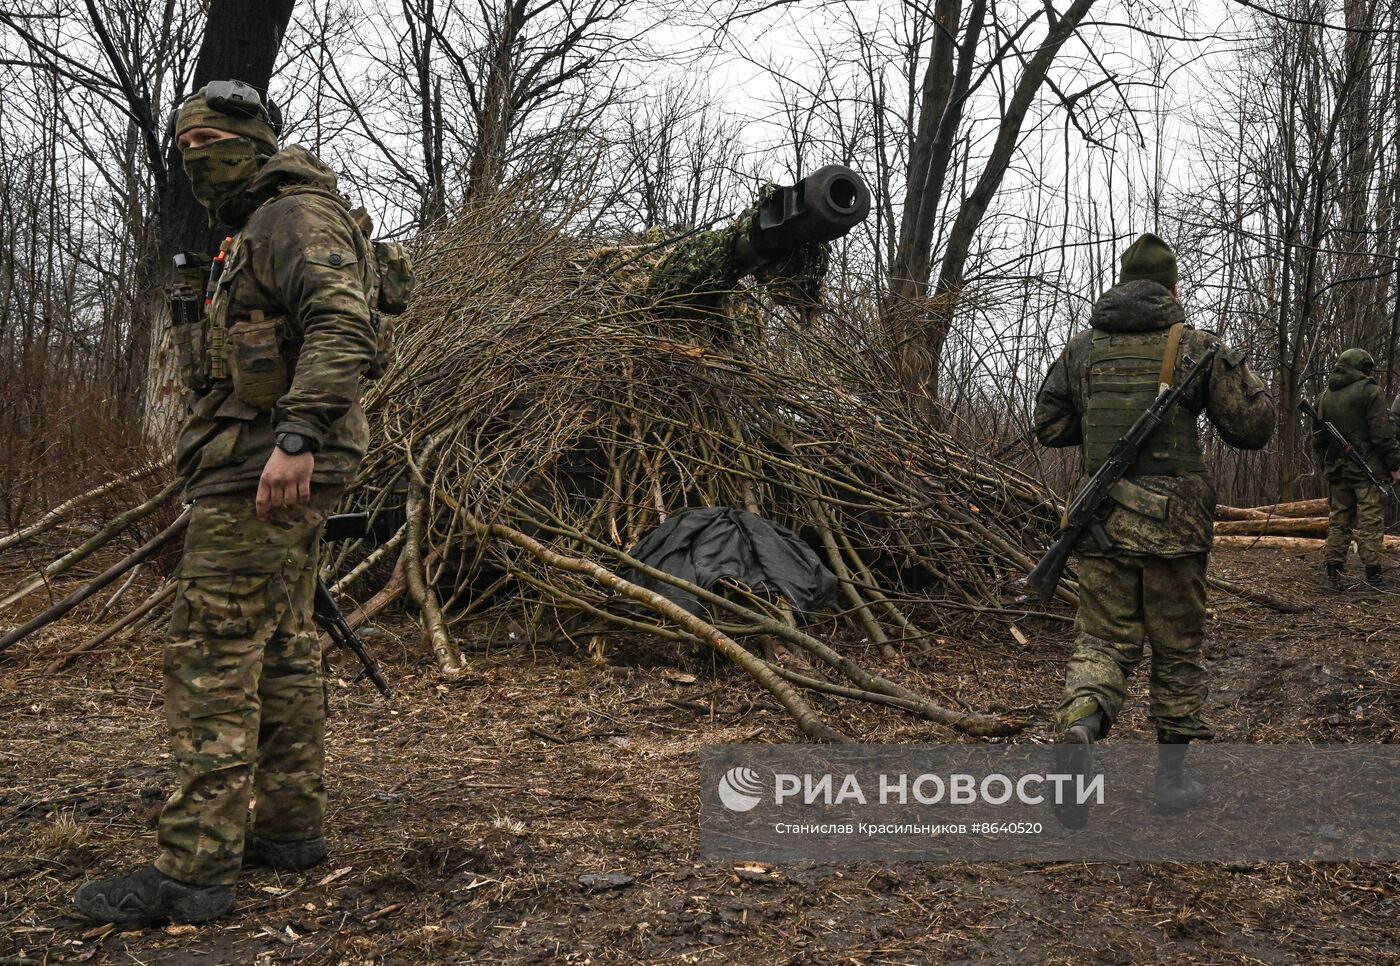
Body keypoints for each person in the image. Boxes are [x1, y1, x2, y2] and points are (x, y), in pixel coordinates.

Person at [74, 80, 379, 925]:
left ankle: (192, 871)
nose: (198, 160)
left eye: (212, 143)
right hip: (257, 458)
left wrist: (296, 441)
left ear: (254, 141)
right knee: (279, 641)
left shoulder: (292, 217)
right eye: (186, 147)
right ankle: (287, 833)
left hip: (265, 464)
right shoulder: (256, 225)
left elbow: (344, 327)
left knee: (211, 651)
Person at [1034, 232, 1275, 812]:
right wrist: (1238, 369)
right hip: (1176, 529)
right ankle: (1171, 780)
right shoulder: (1196, 347)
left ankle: (1083, 729)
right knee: (1177, 647)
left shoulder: (1081, 349)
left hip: (1103, 522)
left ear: (1121, 284)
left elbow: (1049, 425)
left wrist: (1099, 424)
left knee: (1101, 641)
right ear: (1172, 288)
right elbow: (1253, 428)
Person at [1312, 348, 1400, 592]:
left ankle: (1332, 575)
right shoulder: (1370, 392)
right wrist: (1394, 466)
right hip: (1367, 471)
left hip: (1337, 471)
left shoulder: (1324, 396)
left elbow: (1317, 439)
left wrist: (1327, 464)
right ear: (1363, 368)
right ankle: (1373, 577)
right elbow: (1383, 436)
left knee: (1339, 521)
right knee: (1371, 521)